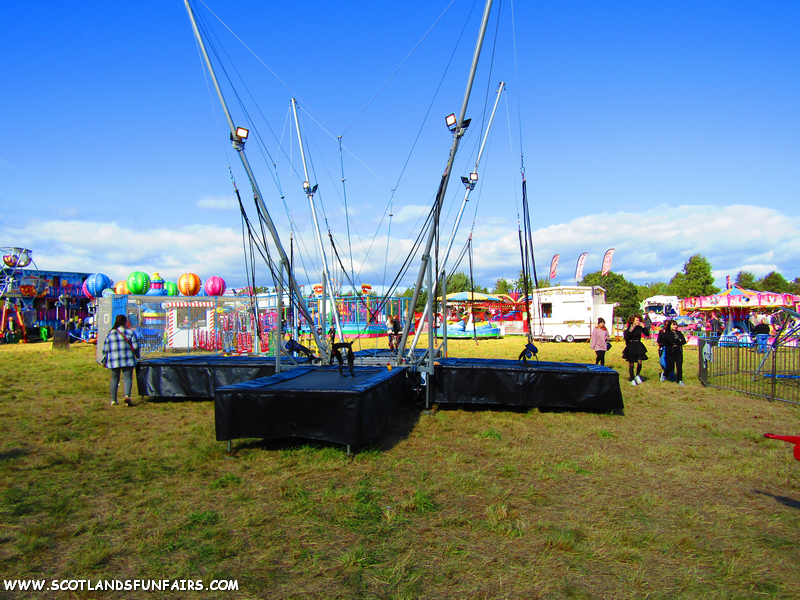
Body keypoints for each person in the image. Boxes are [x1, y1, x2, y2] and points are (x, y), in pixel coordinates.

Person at [100, 315, 139, 406]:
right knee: (128, 378)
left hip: (114, 360)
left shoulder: (111, 333)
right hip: (128, 359)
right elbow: (136, 346)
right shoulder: (130, 332)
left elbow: (105, 348)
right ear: (125, 322)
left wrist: (104, 360)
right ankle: (127, 396)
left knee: (114, 379)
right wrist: (137, 355)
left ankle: (113, 400)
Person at [657, 319, 687, 386]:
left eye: (676, 325)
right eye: (673, 325)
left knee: (679, 366)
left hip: (678, 351)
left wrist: (677, 342)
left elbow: (684, 341)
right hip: (670, 351)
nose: (675, 326)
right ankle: (664, 374)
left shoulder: (679, 333)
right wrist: (678, 341)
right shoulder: (667, 333)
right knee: (671, 367)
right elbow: (670, 341)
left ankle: (679, 380)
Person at [622, 314, 649, 386]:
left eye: (639, 320)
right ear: (632, 321)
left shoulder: (639, 327)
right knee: (631, 364)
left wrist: (644, 327)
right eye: (636, 320)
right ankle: (632, 378)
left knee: (640, 361)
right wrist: (631, 330)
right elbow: (626, 337)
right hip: (631, 346)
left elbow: (647, 334)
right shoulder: (629, 328)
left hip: (638, 346)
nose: (638, 321)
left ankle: (637, 375)